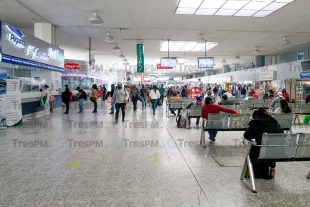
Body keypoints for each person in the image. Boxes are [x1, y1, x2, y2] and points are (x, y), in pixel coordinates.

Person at [244, 108, 283, 179]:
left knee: (254, 147)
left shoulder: (256, 122)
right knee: (271, 147)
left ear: (256, 116)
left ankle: (248, 171)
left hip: (259, 151)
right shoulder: (274, 122)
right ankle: (272, 169)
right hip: (275, 151)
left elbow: (246, 135)